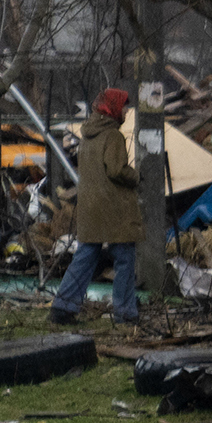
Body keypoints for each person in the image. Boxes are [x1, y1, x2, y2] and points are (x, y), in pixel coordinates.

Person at [51, 87, 144, 325]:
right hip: (114, 207)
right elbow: (116, 170)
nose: (125, 111)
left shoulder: (88, 136)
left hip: (91, 206)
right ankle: (125, 312)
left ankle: (63, 305)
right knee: (125, 257)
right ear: (113, 108)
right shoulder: (113, 136)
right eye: (123, 106)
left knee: (85, 255)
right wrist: (135, 176)